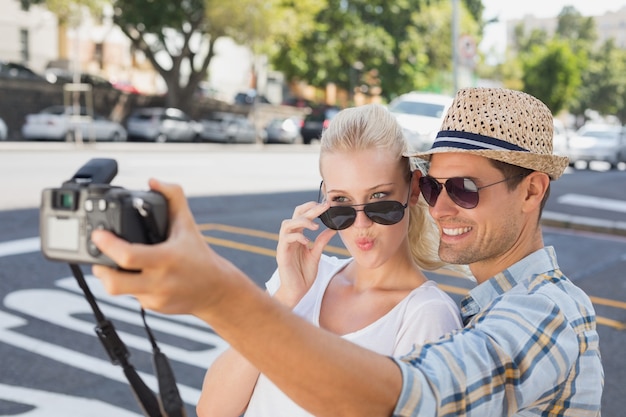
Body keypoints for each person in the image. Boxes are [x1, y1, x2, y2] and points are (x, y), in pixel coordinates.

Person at [92, 87, 603, 416]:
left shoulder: (544, 312)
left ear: (533, 191)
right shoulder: (486, 306)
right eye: (436, 188)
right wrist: (284, 294)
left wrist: (219, 295)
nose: (444, 208)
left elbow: (416, 395)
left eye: (465, 188)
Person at [196, 104, 462, 417]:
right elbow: (212, 410)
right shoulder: (304, 278)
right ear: (324, 199)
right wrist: (283, 299)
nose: (361, 225)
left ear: (413, 190)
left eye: (379, 200)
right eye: (342, 203)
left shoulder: (427, 315)